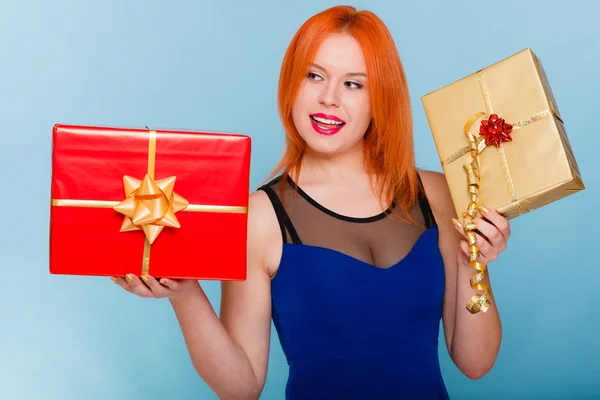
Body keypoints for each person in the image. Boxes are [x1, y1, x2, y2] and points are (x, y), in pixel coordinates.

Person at [112, 5, 509, 399]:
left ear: (380, 97)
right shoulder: (258, 219)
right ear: (291, 84)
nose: (329, 98)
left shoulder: (438, 194)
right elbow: (241, 386)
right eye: (314, 76)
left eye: (354, 84)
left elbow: (476, 364)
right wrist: (185, 293)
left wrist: (470, 260)